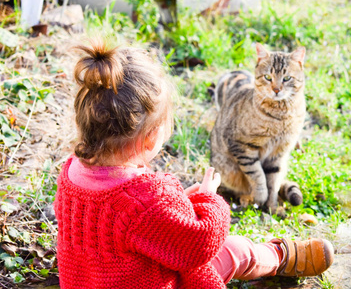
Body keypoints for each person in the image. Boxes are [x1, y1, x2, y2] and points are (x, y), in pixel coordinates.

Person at [54, 39, 334, 289]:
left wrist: (180, 203)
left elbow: (131, 226)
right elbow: (199, 243)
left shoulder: (71, 173)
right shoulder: (148, 198)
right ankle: (280, 256)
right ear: (151, 139)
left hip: (88, 280)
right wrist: (208, 200)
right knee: (233, 251)